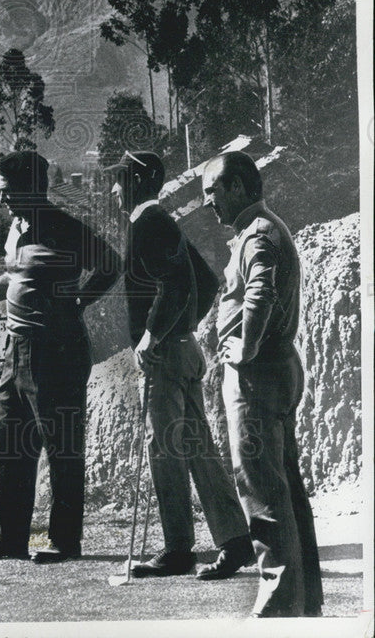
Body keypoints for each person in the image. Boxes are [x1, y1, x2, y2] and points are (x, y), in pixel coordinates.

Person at [0, 150, 121, 562]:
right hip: (15, 348)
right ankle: (11, 538)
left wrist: (78, 301)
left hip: (57, 350)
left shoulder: (65, 228)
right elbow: (14, 274)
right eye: (0, 191)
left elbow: (111, 264)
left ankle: (64, 541)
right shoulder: (17, 227)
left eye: (9, 192)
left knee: (62, 448)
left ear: (34, 188)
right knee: (8, 445)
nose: (3, 200)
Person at [106, 150, 253, 579]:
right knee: (195, 446)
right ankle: (235, 541)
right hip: (179, 348)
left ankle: (177, 550)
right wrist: (183, 328)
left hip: (164, 355)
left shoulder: (148, 222)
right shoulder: (160, 221)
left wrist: (155, 334)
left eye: (118, 181)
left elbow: (177, 282)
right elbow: (205, 283)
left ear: (134, 182)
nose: (114, 189)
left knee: (165, 449)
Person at [202, 150, 323, 617]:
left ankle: (277, 607)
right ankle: (303, 602)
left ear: (237, 187)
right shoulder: (260, 230)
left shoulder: (258, 234)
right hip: (271, 371)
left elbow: (260, 294)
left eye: (213, 190)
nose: (210, 201)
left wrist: (247, 348)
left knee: (261, 489)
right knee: (284, 488)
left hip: (257, 376)